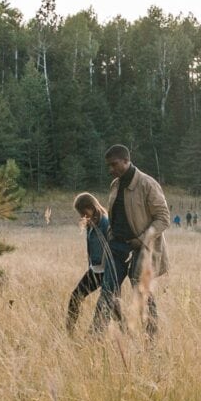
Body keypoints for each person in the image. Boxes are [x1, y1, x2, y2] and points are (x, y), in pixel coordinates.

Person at [93, 144, 171, 338]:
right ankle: (94, 337)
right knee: (107, 292)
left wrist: (142, 239)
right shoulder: (116, 185)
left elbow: (163, 218)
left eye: (114, 164)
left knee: (143, 293)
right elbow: (115, 215)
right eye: (108, 166)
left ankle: (151, 338)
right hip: (117, 247)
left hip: (141, 248)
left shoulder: (147, 184)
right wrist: (111, 235)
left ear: (126, 161)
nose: (111, 170)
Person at [66, 192, 110, 335]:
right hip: (95, 270)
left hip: (105, 272)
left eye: (84, 213)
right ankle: (69, 334)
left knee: (110, 307)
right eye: (81, 214)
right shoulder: (91, 224)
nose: (82, 217)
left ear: (92, 207)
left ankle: (98, 335)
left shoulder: (105, 223)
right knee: (75, 298)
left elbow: (111, 248)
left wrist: (109, 275)